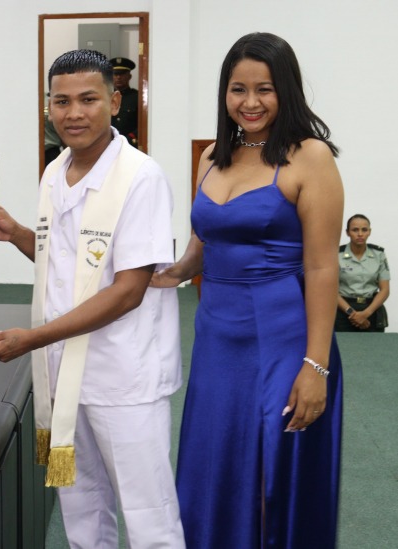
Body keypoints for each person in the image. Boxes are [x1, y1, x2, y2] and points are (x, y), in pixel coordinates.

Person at [0, 50, 184, 548]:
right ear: (48, 106)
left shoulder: (141, 177)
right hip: (64, 373)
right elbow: (65, 260)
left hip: (123, 375)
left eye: (88, 99)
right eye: (61, 101)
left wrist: (33, 338)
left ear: (115, 102)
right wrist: (18, 233)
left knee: (148, 514)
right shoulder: (55, 171)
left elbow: (128, 291)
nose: (73, 113)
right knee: (81, 505)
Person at [151, 32, 344, 547]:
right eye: (239, 89)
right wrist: (165, 272)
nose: (250, 102)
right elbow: (203, 243)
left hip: (283, 337)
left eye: (265, 89)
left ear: (287, 91)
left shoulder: (310, 157)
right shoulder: (212, 156)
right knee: (215, 461)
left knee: (272, 475)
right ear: (225, 93)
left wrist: (316, 365)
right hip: (217, 336)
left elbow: (322, 267)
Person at [336, 214, 390, 332]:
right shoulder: (336, 255)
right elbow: (331, 291)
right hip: (343, 311)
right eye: (355, 230)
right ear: (347, 232)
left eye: (364, 230)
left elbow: (385, 290)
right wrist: (352, 314)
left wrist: (365, 314)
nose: (360, 234)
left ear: (369, 232)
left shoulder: (379, 255)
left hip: (372, 310)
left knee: (374, 344)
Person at [109, 56, 138, 147]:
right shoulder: (105, 97)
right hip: (108, 143)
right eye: (115, 74)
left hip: (130, 144)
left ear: (129, 76)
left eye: (122, 74)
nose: (118, 77)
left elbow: (143, 124)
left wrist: (130, 137)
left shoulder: (137, 97)